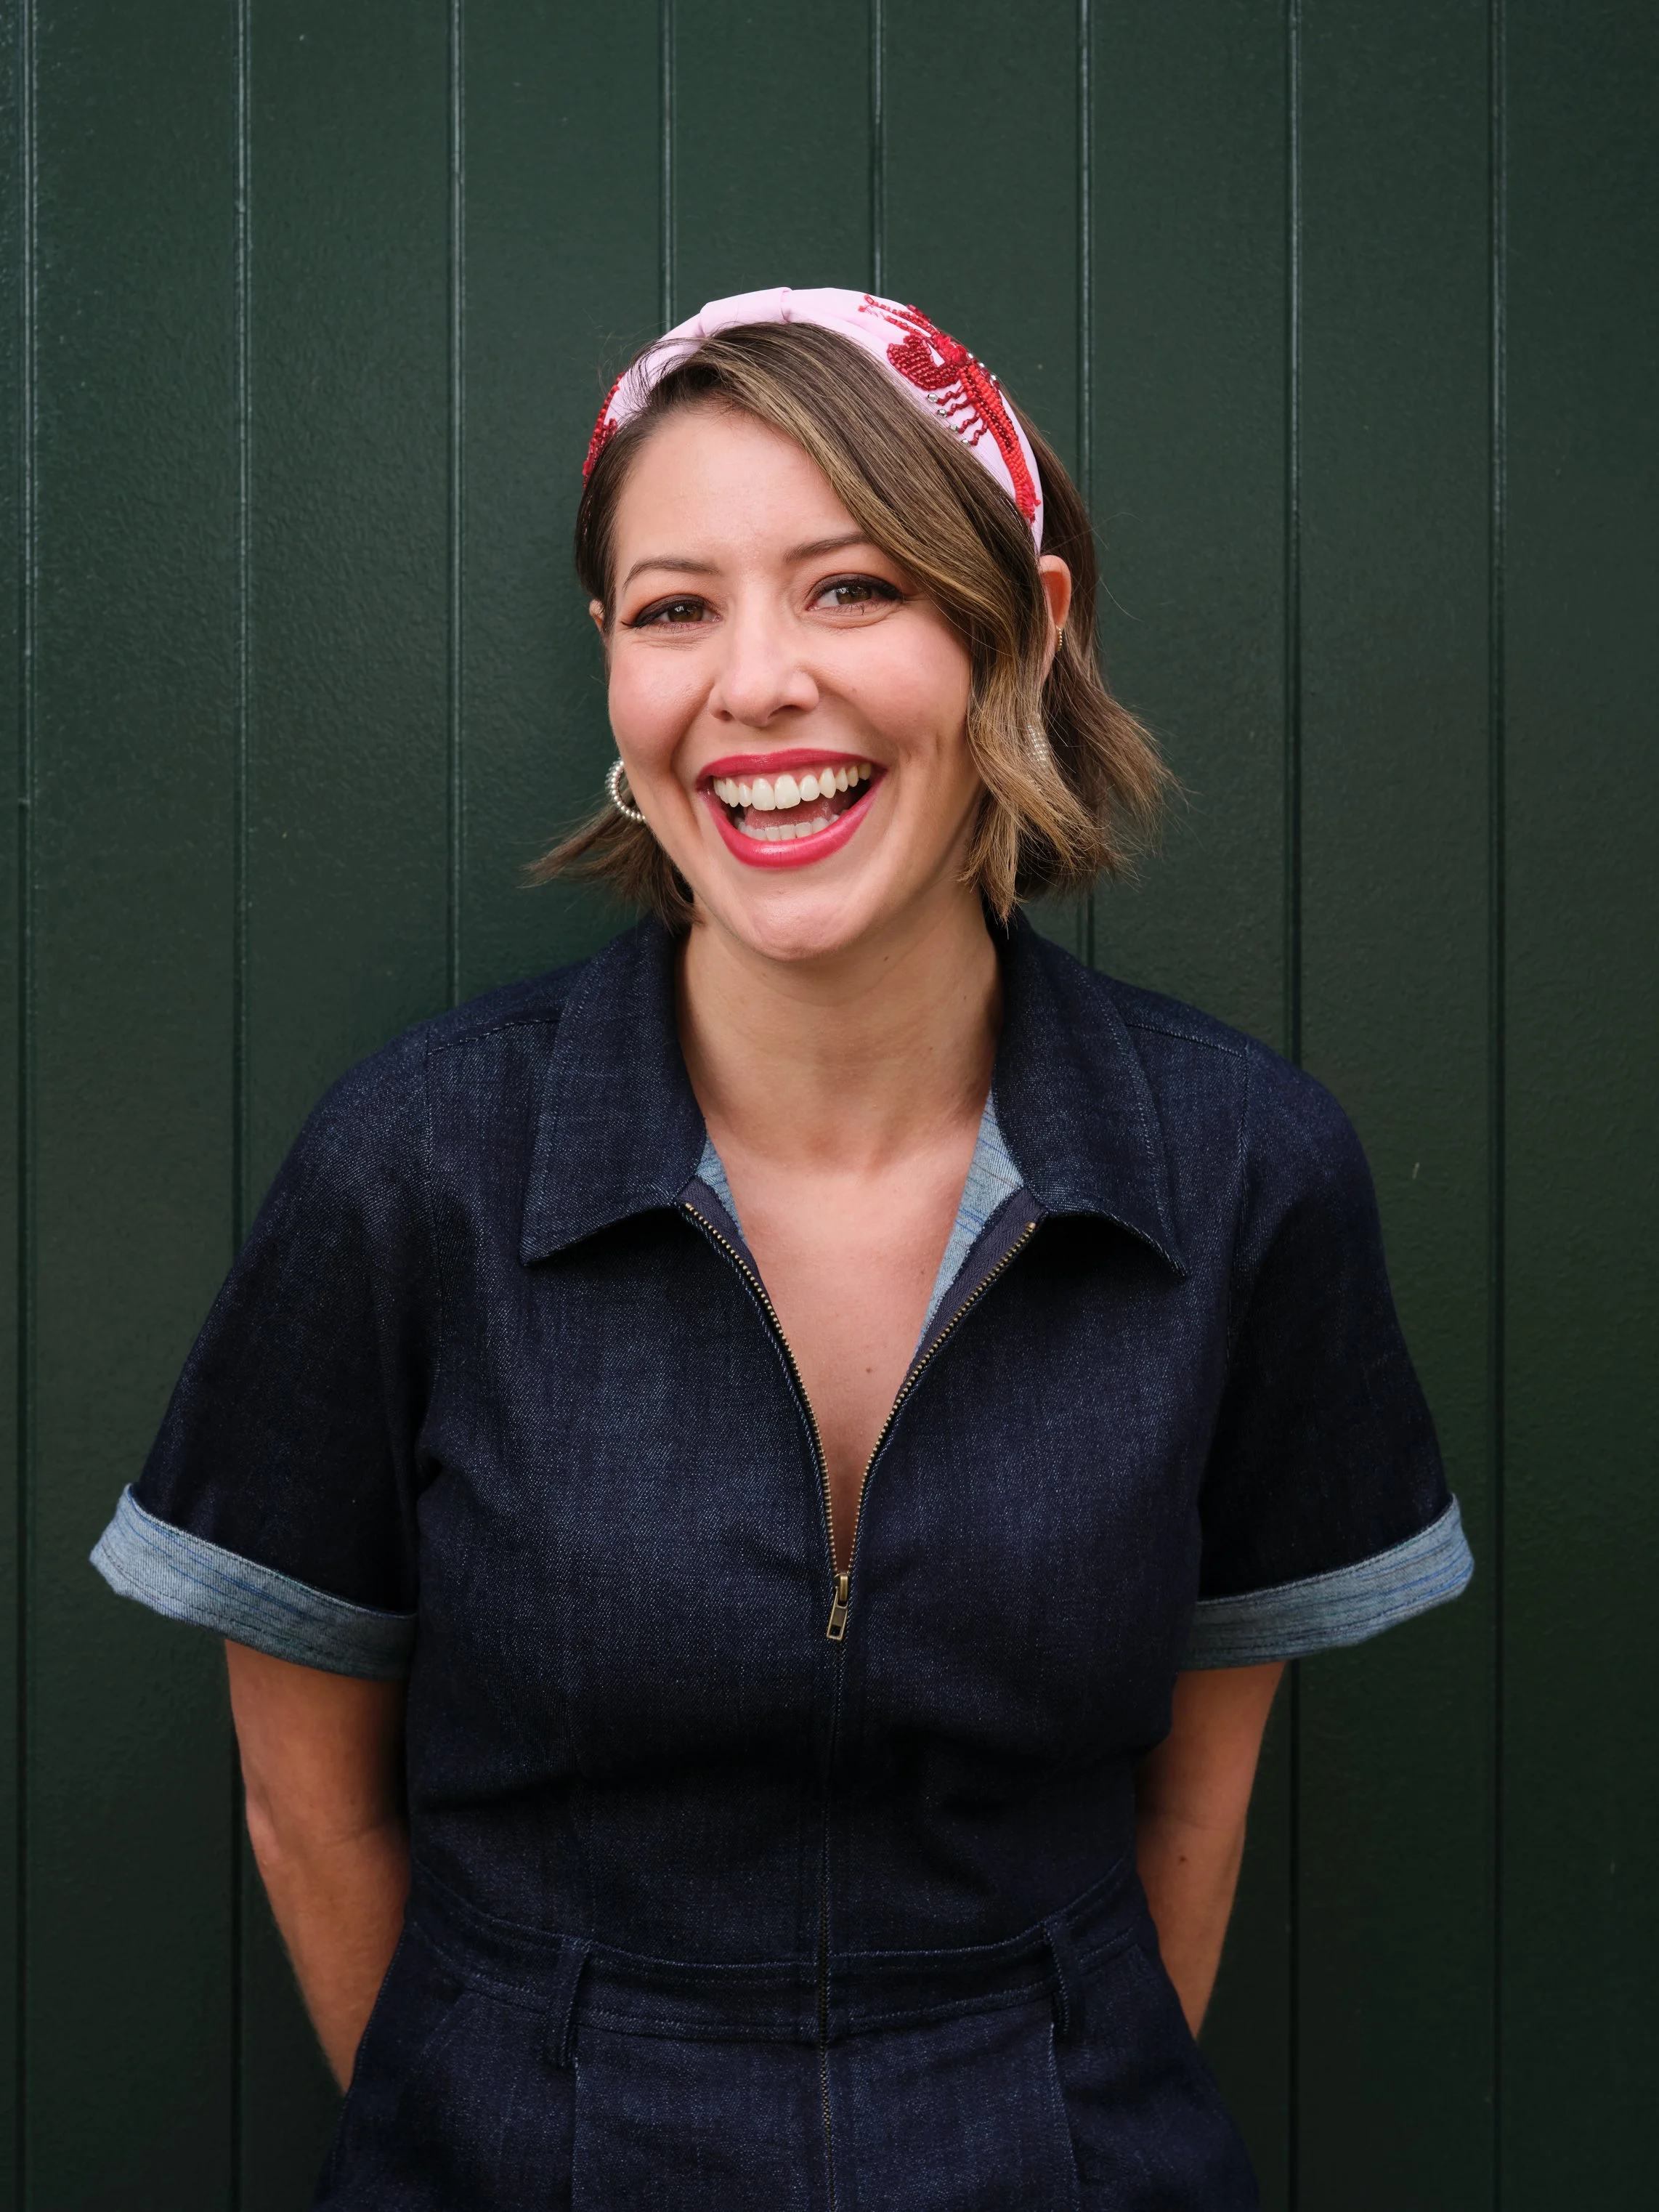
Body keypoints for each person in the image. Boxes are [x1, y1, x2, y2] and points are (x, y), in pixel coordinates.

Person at [92, 286, 1472, 2211]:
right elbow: (307, 1796)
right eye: (675, 607)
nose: (753, 685)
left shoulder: (1244, 1167)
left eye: (852, 588)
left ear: (1029, 631)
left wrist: (1026, 2102)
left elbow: (1196, 1792)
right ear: (610, 672)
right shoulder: (412, 1158)